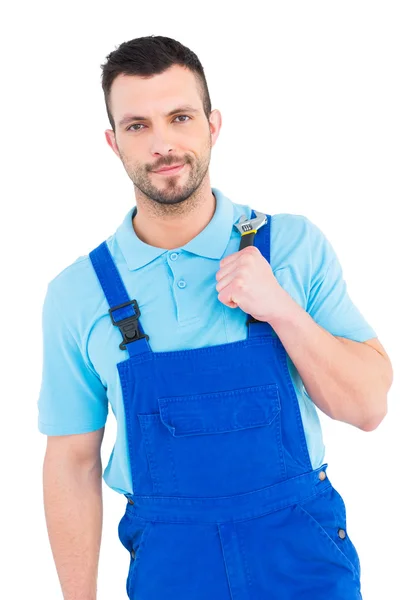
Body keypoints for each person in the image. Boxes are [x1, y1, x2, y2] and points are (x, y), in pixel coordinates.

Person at [37, 35, 393, 600]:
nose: (163, 143)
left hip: (302, 558)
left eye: (180, 117)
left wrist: (280, 310)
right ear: (113, 142)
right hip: (172, 568)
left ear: (212, 124)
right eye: (137, 126)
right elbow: (71, 461)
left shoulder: (293, 246)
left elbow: (369, 407)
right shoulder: (78, 293)